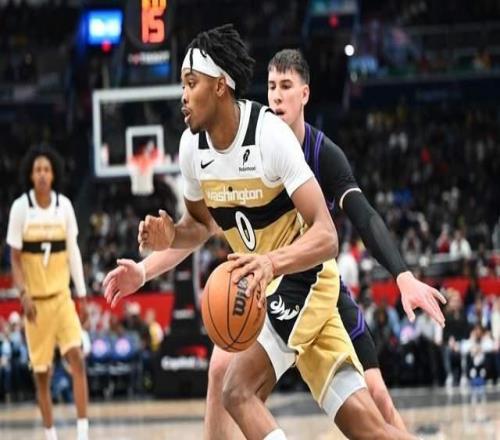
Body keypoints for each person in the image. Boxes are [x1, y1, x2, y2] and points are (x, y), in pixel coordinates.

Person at [106, 25, 417, 439]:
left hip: (304, 279)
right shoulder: (191, 149)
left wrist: (270, 263)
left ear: (220, 86)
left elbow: (327, 237)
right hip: (271, 288)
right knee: (369, 429)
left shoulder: (269, 136)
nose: (183, 95)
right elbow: (200, 227)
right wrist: (155, 257)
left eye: (191, 83)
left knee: (236, 389)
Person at [6, 145, 89, 440]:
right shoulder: (21, 208)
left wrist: (82, 295)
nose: (42, 174)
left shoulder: (64, 206)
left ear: (53, 175)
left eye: (46, 169)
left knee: (77, 358)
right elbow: (15, 259)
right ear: (31, 175)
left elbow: (73, 253)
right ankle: (50, 434)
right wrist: (23, 294)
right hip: (36, 305)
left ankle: (83, 433)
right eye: (37, 170)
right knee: (42, 375)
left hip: (62, 297)